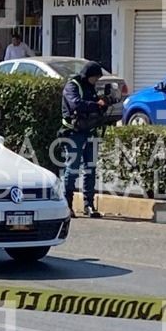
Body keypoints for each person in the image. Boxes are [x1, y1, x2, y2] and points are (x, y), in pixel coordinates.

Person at [60, 62, 107, 218]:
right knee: (72, 169)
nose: (96, 81)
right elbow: (75, 104)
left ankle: (89, 205)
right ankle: (67, 205)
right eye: (95, 78)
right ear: (89, 75)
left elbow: (95, 105)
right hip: (75, 133)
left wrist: (103, 104)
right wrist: (96, 105)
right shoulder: (72, 86)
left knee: (90, 169)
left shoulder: (90, 87)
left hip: (90, 132)